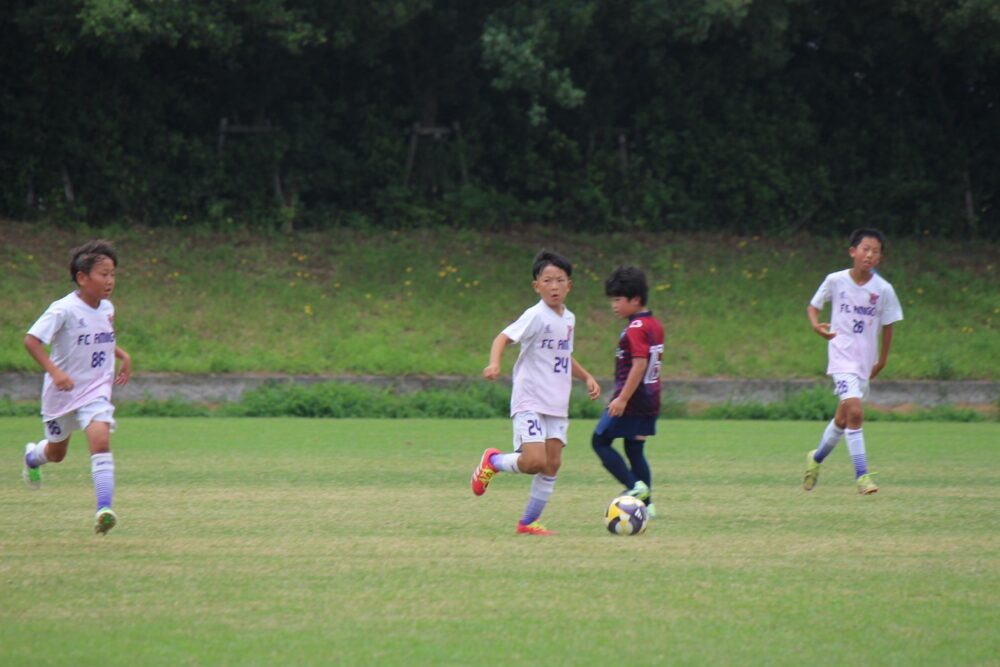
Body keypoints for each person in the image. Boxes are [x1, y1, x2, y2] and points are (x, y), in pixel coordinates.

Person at [470, 250, 601, 535]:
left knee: (552, 464)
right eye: (547, 280)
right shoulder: (535, 315)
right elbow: (503, 337)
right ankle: (493, 461)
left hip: (557, 401)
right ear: (536, 286)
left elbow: (563, 355)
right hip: (530, 397)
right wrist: (494, 363)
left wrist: (586, 376)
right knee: (534, 462)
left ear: (569, 285)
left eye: (560, 280)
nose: (554, 286)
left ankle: (528, 522)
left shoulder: (569, 319)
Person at [21, 239, 132, 534]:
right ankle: (32, 457)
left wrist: (123, 355)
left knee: (101, 440)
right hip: (62, 394)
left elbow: (101, 338)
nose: (110, 281)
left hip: (95, 390)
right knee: (57, 453)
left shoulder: (107, 308)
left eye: (113, 274)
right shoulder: (63, 310)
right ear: (82, 277)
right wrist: (55, 372)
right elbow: (32, 341)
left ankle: (104, 510)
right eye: (103, 274)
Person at [803, 228, 903, 495]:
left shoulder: (883, 290)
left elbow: (889, 325)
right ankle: (862, 476)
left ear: (880, 258)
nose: (869, 255)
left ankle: (816, 458)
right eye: (865, 249)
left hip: (864, 362)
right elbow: (813, 307)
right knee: (856, 413)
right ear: (852, 252)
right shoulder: (835, 280)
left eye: (875, 251)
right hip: (841, 356)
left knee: (843, 419)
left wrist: (882, 360)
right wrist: (816, 325)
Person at [591, 266, 665, 518]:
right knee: (634, 449)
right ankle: (648, 505)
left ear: (635, 300)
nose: (614, 305)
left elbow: (640, 364)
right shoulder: (654, 324)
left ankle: (635, 487)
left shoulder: (635, 327)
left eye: (618, 299)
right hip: (651, 398)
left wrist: (622, 398)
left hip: (631, 400)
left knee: (599, 440)